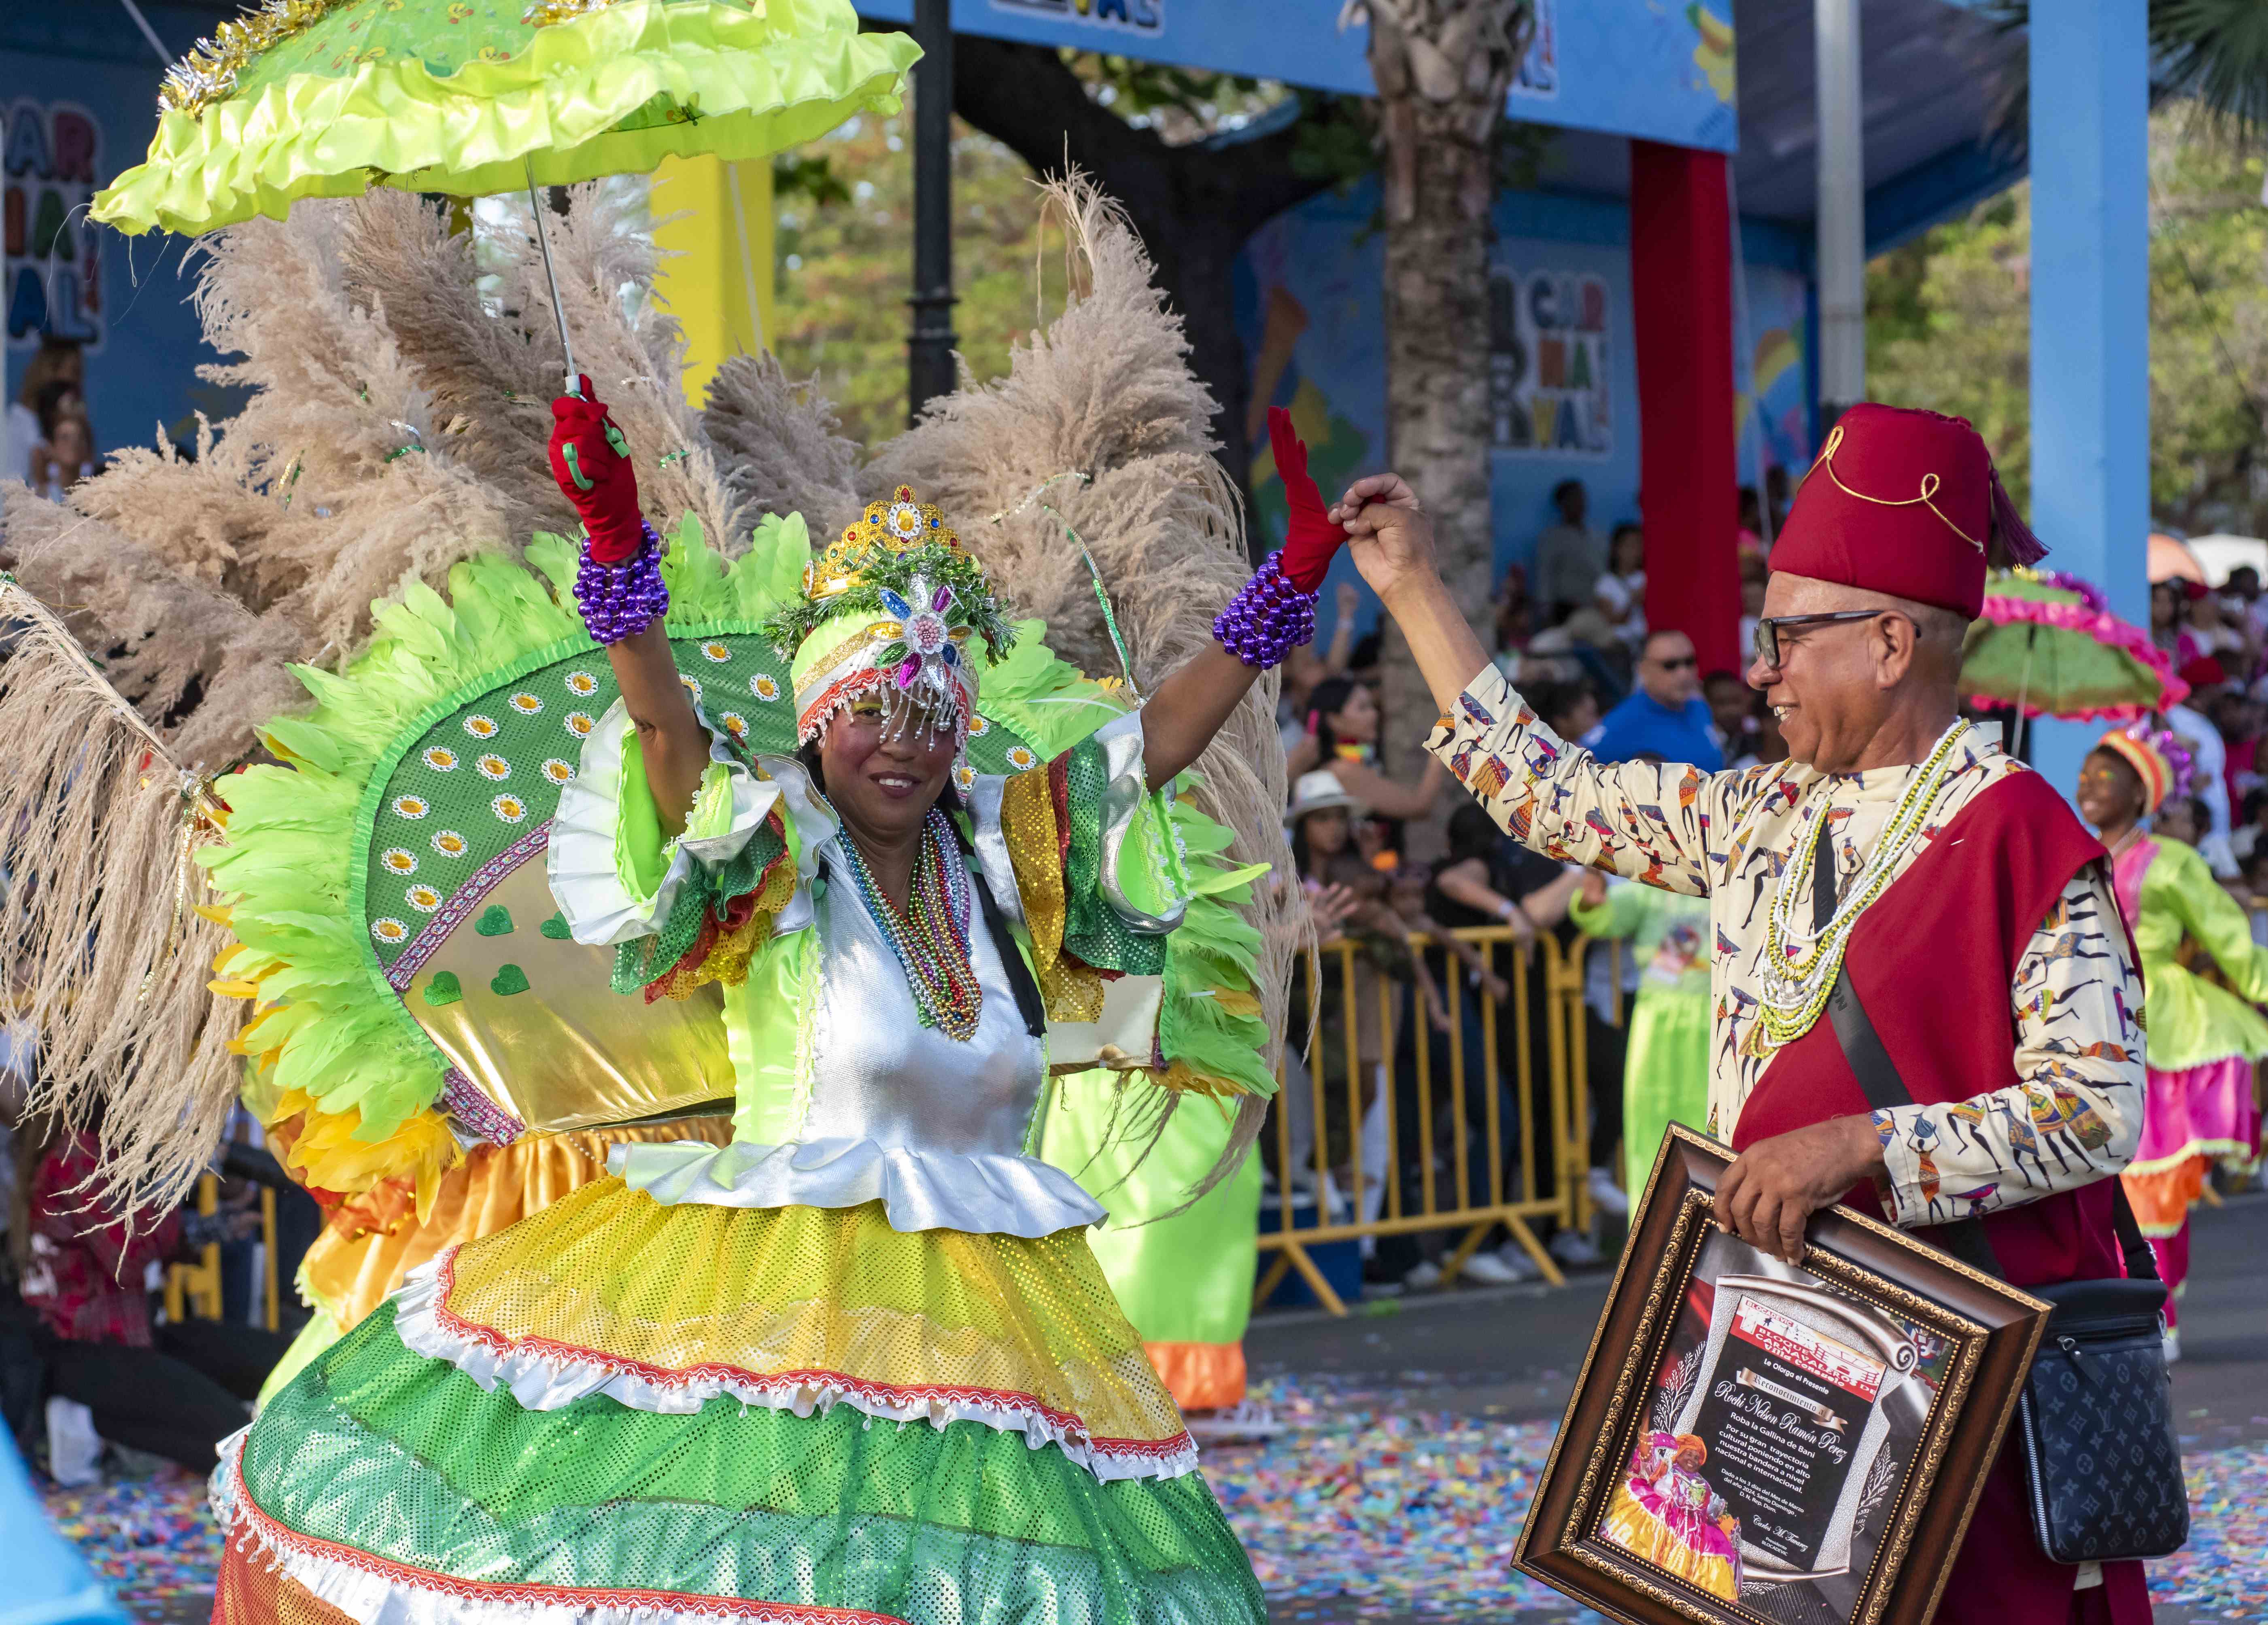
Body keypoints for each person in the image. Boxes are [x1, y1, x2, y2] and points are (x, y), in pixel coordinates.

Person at [202, 386, 1341, 1622]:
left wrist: (1275, 592)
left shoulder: (1005, 860)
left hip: (997, 1315)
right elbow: (660, 728)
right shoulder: (775, 845)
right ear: (814, 719)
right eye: (866, 714)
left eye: (928, 717)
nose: (899, 744)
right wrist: (617, 553)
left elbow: (1148, 747)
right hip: (778, 1299)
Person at [1332, 402, 2149, 1625]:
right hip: (1779, 1352)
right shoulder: (1761, 809)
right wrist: (1411, 591)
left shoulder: (2021, 834)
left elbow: (2095, 1110)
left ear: (1885, 643)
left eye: (1781, 638)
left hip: (1955, 1380)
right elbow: (1551, 797)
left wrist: (1861, 1144)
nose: (1757, 672)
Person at [2078, 726, 2268, 1362]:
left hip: (2161, 1033)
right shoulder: (2072, 854)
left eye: (2103, 777)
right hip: (2083, 1028)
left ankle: (2160, 1317)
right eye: (2083, 774)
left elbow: (2230, 941)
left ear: (2140, 792)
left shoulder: (2171, 862)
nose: (2086, 786)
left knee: (2150, 1188)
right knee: (2091, 1189)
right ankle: (2121, 1317)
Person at [1571, 864, 1711, 1196]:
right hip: (1660, 1026)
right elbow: (1606, 917)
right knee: (1655, 1130)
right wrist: (1591, 901)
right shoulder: (1652, 883)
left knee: (1717, 1128)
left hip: (1721, 1020)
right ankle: (1654, 1229)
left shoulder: (1735, 885)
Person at [1302, 672, 1450, 821]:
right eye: (1363, 708)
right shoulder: (1343, 770)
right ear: (1334, 720)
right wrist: (1443, 739)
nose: (1374, 714)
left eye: (1372, 706)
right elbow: (1419, 806)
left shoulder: (1354, 759)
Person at [1586, 628, 1724, 772]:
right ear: (1644, 669)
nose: (1684, 674)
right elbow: (1578, 770)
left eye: (1689, 662)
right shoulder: (1625, 719)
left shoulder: (1699, 706)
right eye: (1670, 665)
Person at [1533, 479, 1606, 625]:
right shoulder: (1552, 538)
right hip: (1566, 610)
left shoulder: (1598, 536)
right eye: (1574, 498)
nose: (1580, 503)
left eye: (1582, 497)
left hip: (1601, 607)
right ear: (1562, 504)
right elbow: (1545, 577)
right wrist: (1546, 612)